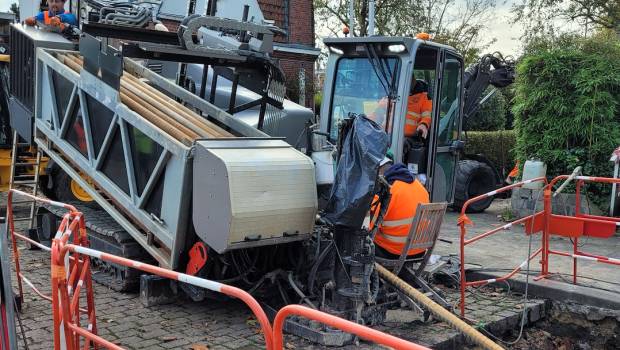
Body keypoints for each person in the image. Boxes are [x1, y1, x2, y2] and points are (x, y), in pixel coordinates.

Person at [371, 158, 430, 259]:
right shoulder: (418, 185)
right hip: (420, 250)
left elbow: (369, 226)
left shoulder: (386, 189)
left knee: (360, 242)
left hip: (395, 252)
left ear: (378, 172)